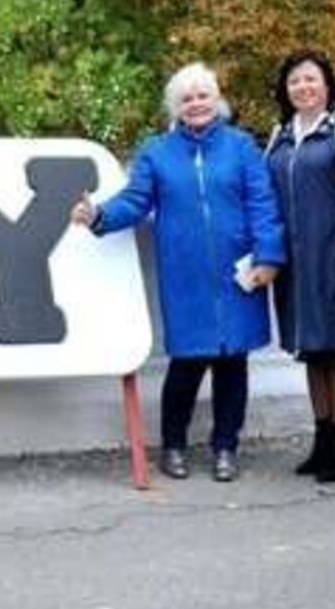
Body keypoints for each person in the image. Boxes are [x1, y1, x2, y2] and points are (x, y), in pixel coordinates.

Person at [74, 63, 285, 482]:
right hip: (186, 276)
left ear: (217, 99)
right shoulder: (157, 151)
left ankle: (226, 447)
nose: (196, 104)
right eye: (186, 98)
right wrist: (99, 215)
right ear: (176, 106)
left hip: (237, 274)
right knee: (186, 365)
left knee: (232, 364)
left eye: (203, 95)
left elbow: (262, 203)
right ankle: (173, 445)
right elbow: (135, 201)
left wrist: (268, 256)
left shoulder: (242, 147)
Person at [263, 50, 335, 482]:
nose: (303, 88)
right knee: (312, 351)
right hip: (295, 265)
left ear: (327, 84)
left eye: (311, 79)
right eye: (295, 82)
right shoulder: (280, 137)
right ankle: (321, 441)